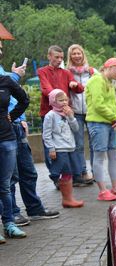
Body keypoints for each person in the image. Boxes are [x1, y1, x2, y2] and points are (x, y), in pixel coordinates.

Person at [0, 39, 61, 226]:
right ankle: (13, 214)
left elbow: (17, 97)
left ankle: (34, 208)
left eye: (1, 48)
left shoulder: (3, 71)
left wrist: (21, 117)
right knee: (9, 177)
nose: (1, 51)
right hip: (5, 129)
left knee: (28, 172)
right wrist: (15, 76)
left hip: (17, 126)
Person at [85, 58, 116, 201]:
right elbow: (97, 104)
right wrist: (115, 119)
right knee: (99, 156)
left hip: (110, 123)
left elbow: (115, 104)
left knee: (113, 156)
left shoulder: (109, 83)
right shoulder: (96, 80)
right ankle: (102, 191)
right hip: (98, 123)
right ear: (109, 67)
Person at [38, 45, 84, 188]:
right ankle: (56, 177)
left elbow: (80, 89)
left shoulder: (66, 73)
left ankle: (72, 176)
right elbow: (46, 90)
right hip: (48, 112)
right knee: (50, 147)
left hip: (65, 113)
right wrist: (59, 99)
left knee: (69, 144)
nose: (59, 60)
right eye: (56, 57)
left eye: (61, 58)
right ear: (49, 56)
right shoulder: (42, 71)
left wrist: (74, 84)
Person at [42, 90, 84, 208]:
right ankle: (66, 198)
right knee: (63, 172)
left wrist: (71, 116)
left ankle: (68, 199)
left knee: (70, 173)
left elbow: (76, 129)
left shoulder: (68, 113)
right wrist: (51, 148)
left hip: (71, 147)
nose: (64, 102)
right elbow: (46, 134)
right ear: (53, 101)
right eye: (60, 100)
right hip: (60, 149)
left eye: (66, 99)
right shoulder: (50, 115)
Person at [1, 73, 30, 242]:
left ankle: (9, 224)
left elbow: (24, 99)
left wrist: (12, 115)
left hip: (7, 139)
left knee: (5, 185)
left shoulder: (5, 81)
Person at [66, 44, 95, 185]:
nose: (77, 56)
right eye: (74, 54)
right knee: (78, 145)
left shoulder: (92, 72)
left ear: (83, 55)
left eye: (79, 53)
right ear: (70, 56)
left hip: (92, 112)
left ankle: (96, 171)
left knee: (94, 144)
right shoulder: (66, 73)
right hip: (76, 112)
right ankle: (83, 172)